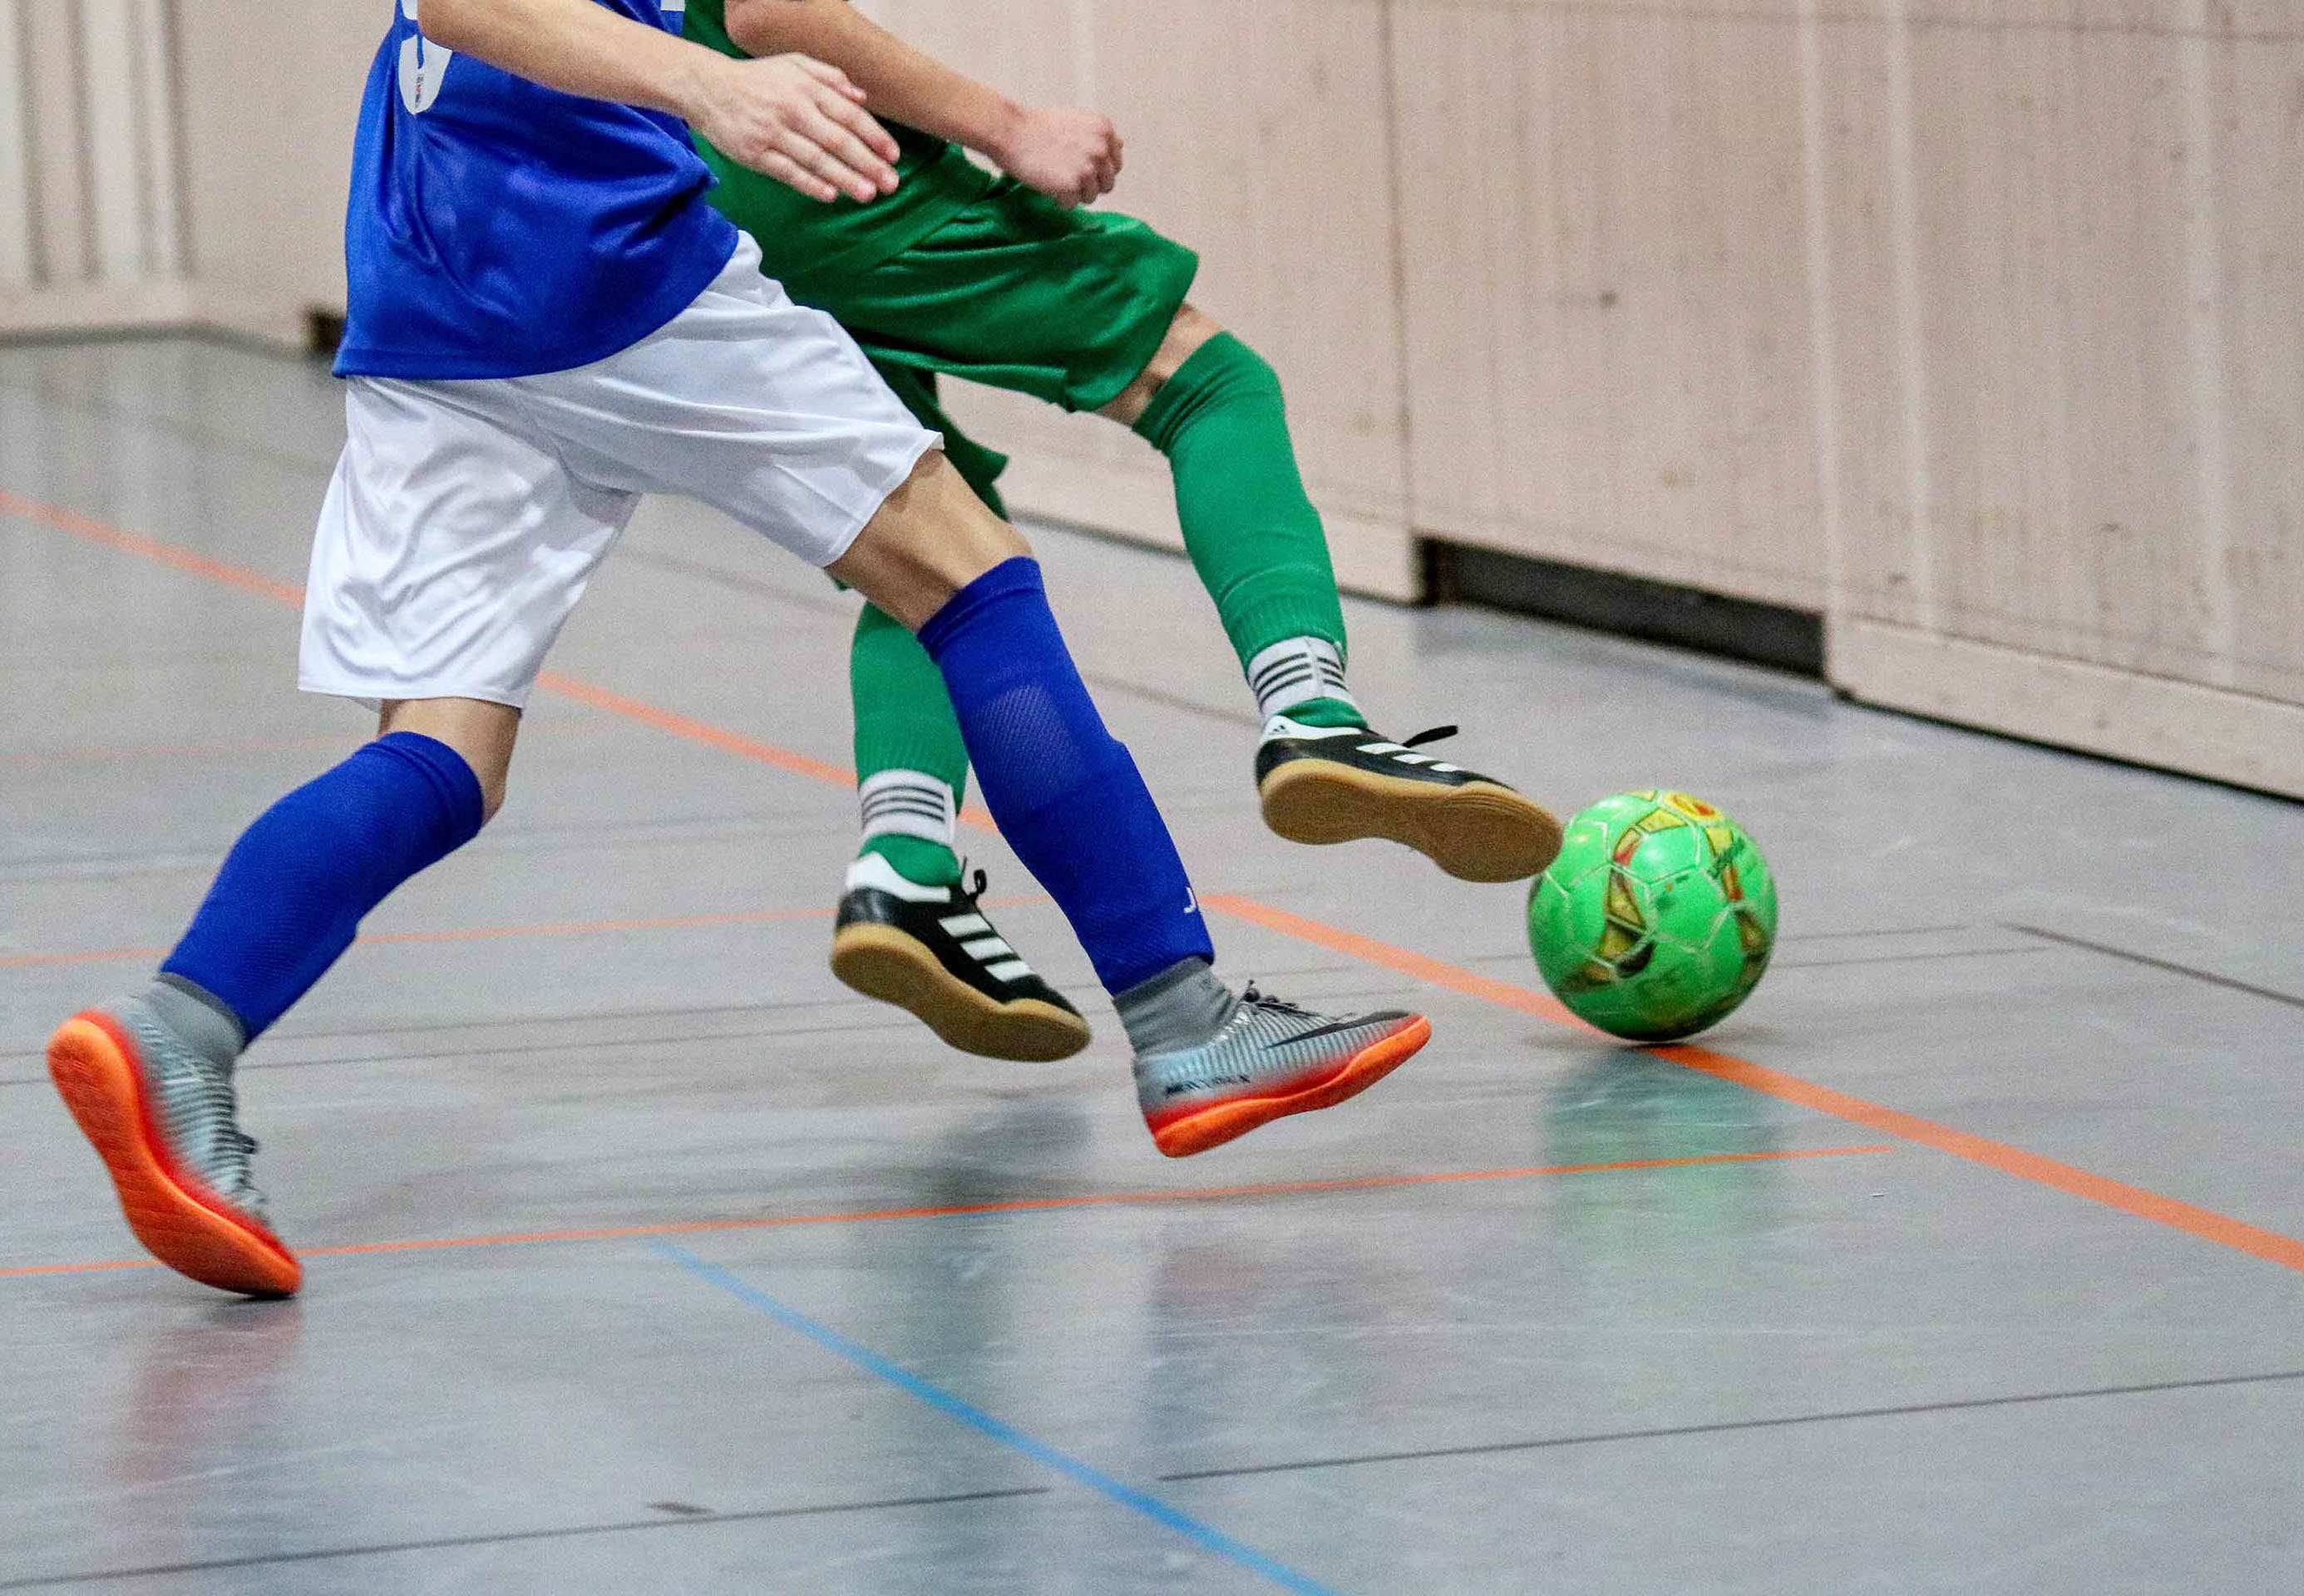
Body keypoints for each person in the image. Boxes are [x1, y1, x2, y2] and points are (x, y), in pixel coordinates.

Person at [43, 0, 1430, 1301]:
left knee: (443, 756)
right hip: (603, 265)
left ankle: (182, 1030)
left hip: (432, 283)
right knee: (970, 579)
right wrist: (708, 84)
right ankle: (1183, 1018)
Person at [675, 0, 1562, 1063]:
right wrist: (1009, 127)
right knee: (1209, 383)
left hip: (694, 195)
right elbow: (766, 10)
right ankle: (1312, 709)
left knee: (929, 547)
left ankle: (904, 865)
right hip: (817, 164)